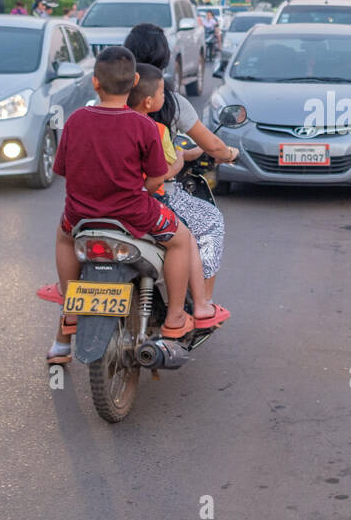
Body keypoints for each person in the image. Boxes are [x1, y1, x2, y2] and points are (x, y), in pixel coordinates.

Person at [45, 47, 194, 366]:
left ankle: (71, 309)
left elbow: (63, 170)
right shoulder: (144, 127)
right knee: (182, 240)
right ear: (135, 81)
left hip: (80, 215)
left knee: (62, 237)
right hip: (134, 214)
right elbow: (155, 183)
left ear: (95, 83)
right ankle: (176, 317)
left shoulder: (75, 120)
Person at [123, 23, 238, 305]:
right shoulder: (167, 108)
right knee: (208, 223)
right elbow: (160, 175)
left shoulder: (109, 101)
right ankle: (201, 304)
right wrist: (229, 154)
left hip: (103, 195)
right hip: (150, 199)